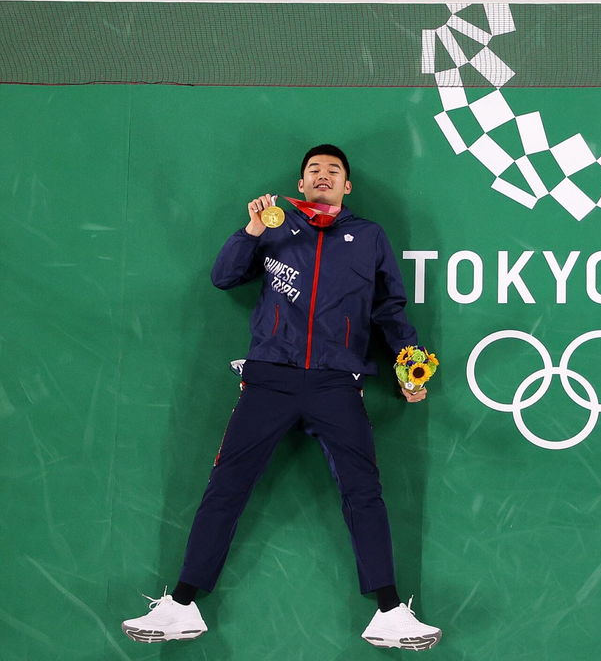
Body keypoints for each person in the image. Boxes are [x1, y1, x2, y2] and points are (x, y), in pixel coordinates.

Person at [120, 144, 441, 650]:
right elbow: (224, 277)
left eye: (333, 171)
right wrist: (251, 231)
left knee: (364, 492)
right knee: (226, 486)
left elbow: (390, 309)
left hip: (338, 383)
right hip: (270, 378)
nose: (323, 176)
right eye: (314, 170)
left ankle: (390, 613)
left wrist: (408, 362)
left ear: (347, 186)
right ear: (301, 182)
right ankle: (181, 606)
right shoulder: (274, 226)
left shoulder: (369, 237)